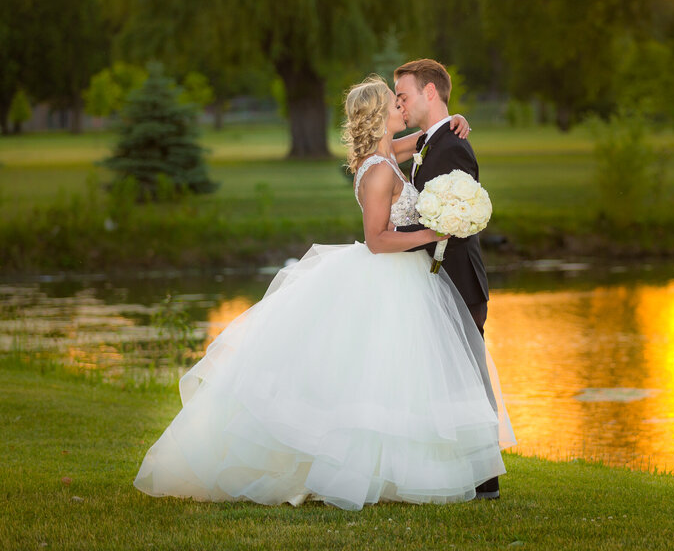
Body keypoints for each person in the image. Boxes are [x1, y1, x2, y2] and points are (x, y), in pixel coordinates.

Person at [133, 75, 515, 510]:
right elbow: (377, 239)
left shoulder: (388, 152)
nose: (401, 107)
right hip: (389, 273)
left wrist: (453, 120)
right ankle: (350, 469)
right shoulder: (376, 170)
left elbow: (420, 142)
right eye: (394, 103)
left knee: (393, 378)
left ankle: (402, 468)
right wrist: (433, 231)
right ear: (378, 116)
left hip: (407, 278)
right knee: (375, 379)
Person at [392, 58, 501, 500]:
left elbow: (455, 219)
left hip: (457, 278)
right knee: (448, 380)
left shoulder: (451, 146)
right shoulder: (432, 141)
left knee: (468, 381)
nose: (400, 104)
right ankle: (461, 472)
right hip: (437, 278)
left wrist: (388, 237)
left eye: (404, 95)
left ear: (430, 93)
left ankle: (485, 480)